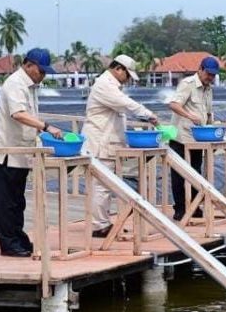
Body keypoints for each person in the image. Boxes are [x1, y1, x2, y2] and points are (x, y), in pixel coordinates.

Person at [0, 48, 63, 257]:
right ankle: (9, 244)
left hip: (21, 150)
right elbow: (18, 114)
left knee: (17, 200)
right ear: (29, 65)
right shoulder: (15, 83)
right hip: (5, 150)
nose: (43, 76)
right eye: (41, 71)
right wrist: (47, 127)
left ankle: (18, 238)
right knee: (5, 201)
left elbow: (30, 116)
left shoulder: (31, 86)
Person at [81, 54, 158, 238]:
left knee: (105, 187)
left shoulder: (111, 85)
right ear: (119, 69)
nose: (128, 79)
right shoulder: (105, 85)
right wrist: (149, 114)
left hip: (107, 143)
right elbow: (126, 104)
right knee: (100, 187)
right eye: (128, 75)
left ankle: (103, 223)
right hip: (99, 143)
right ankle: (99, 225)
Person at [167, 56, 218, 221]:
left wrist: (213, 131)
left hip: (198, 139)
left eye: (213, 75)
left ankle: (194, 206)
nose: (210, 78)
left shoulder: (208, 89)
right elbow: (174, 104)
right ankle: (180, 208)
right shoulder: (188, 84)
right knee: (179, 175)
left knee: (196, 173)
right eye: (208, 74)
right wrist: (189, 115)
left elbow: (208, 114)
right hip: (181, 137)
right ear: (200, 69)